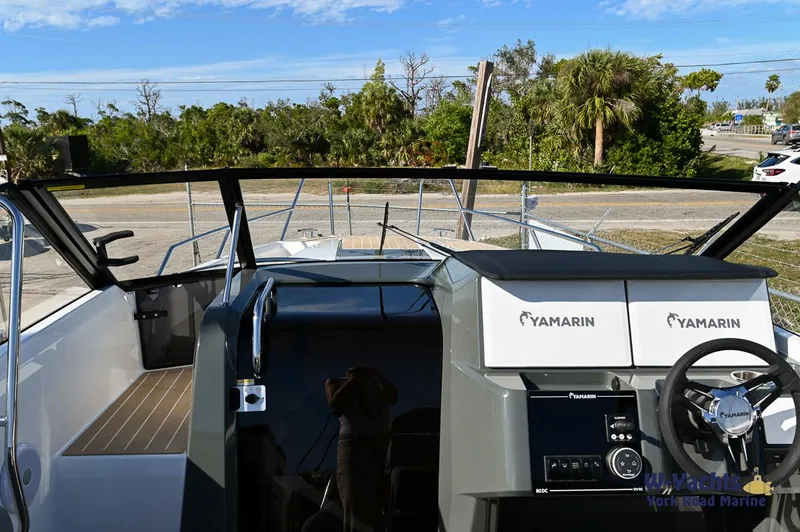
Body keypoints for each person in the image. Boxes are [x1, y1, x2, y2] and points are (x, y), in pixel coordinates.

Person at [325, 367, 398, 532]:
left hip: (383, 446)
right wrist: (354, 381)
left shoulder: (379, 385)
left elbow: (394, 397)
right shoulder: (336, 382)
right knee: (356, 510)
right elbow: (335, 403)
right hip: (355, 447)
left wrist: (377, 375)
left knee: (388, 504)